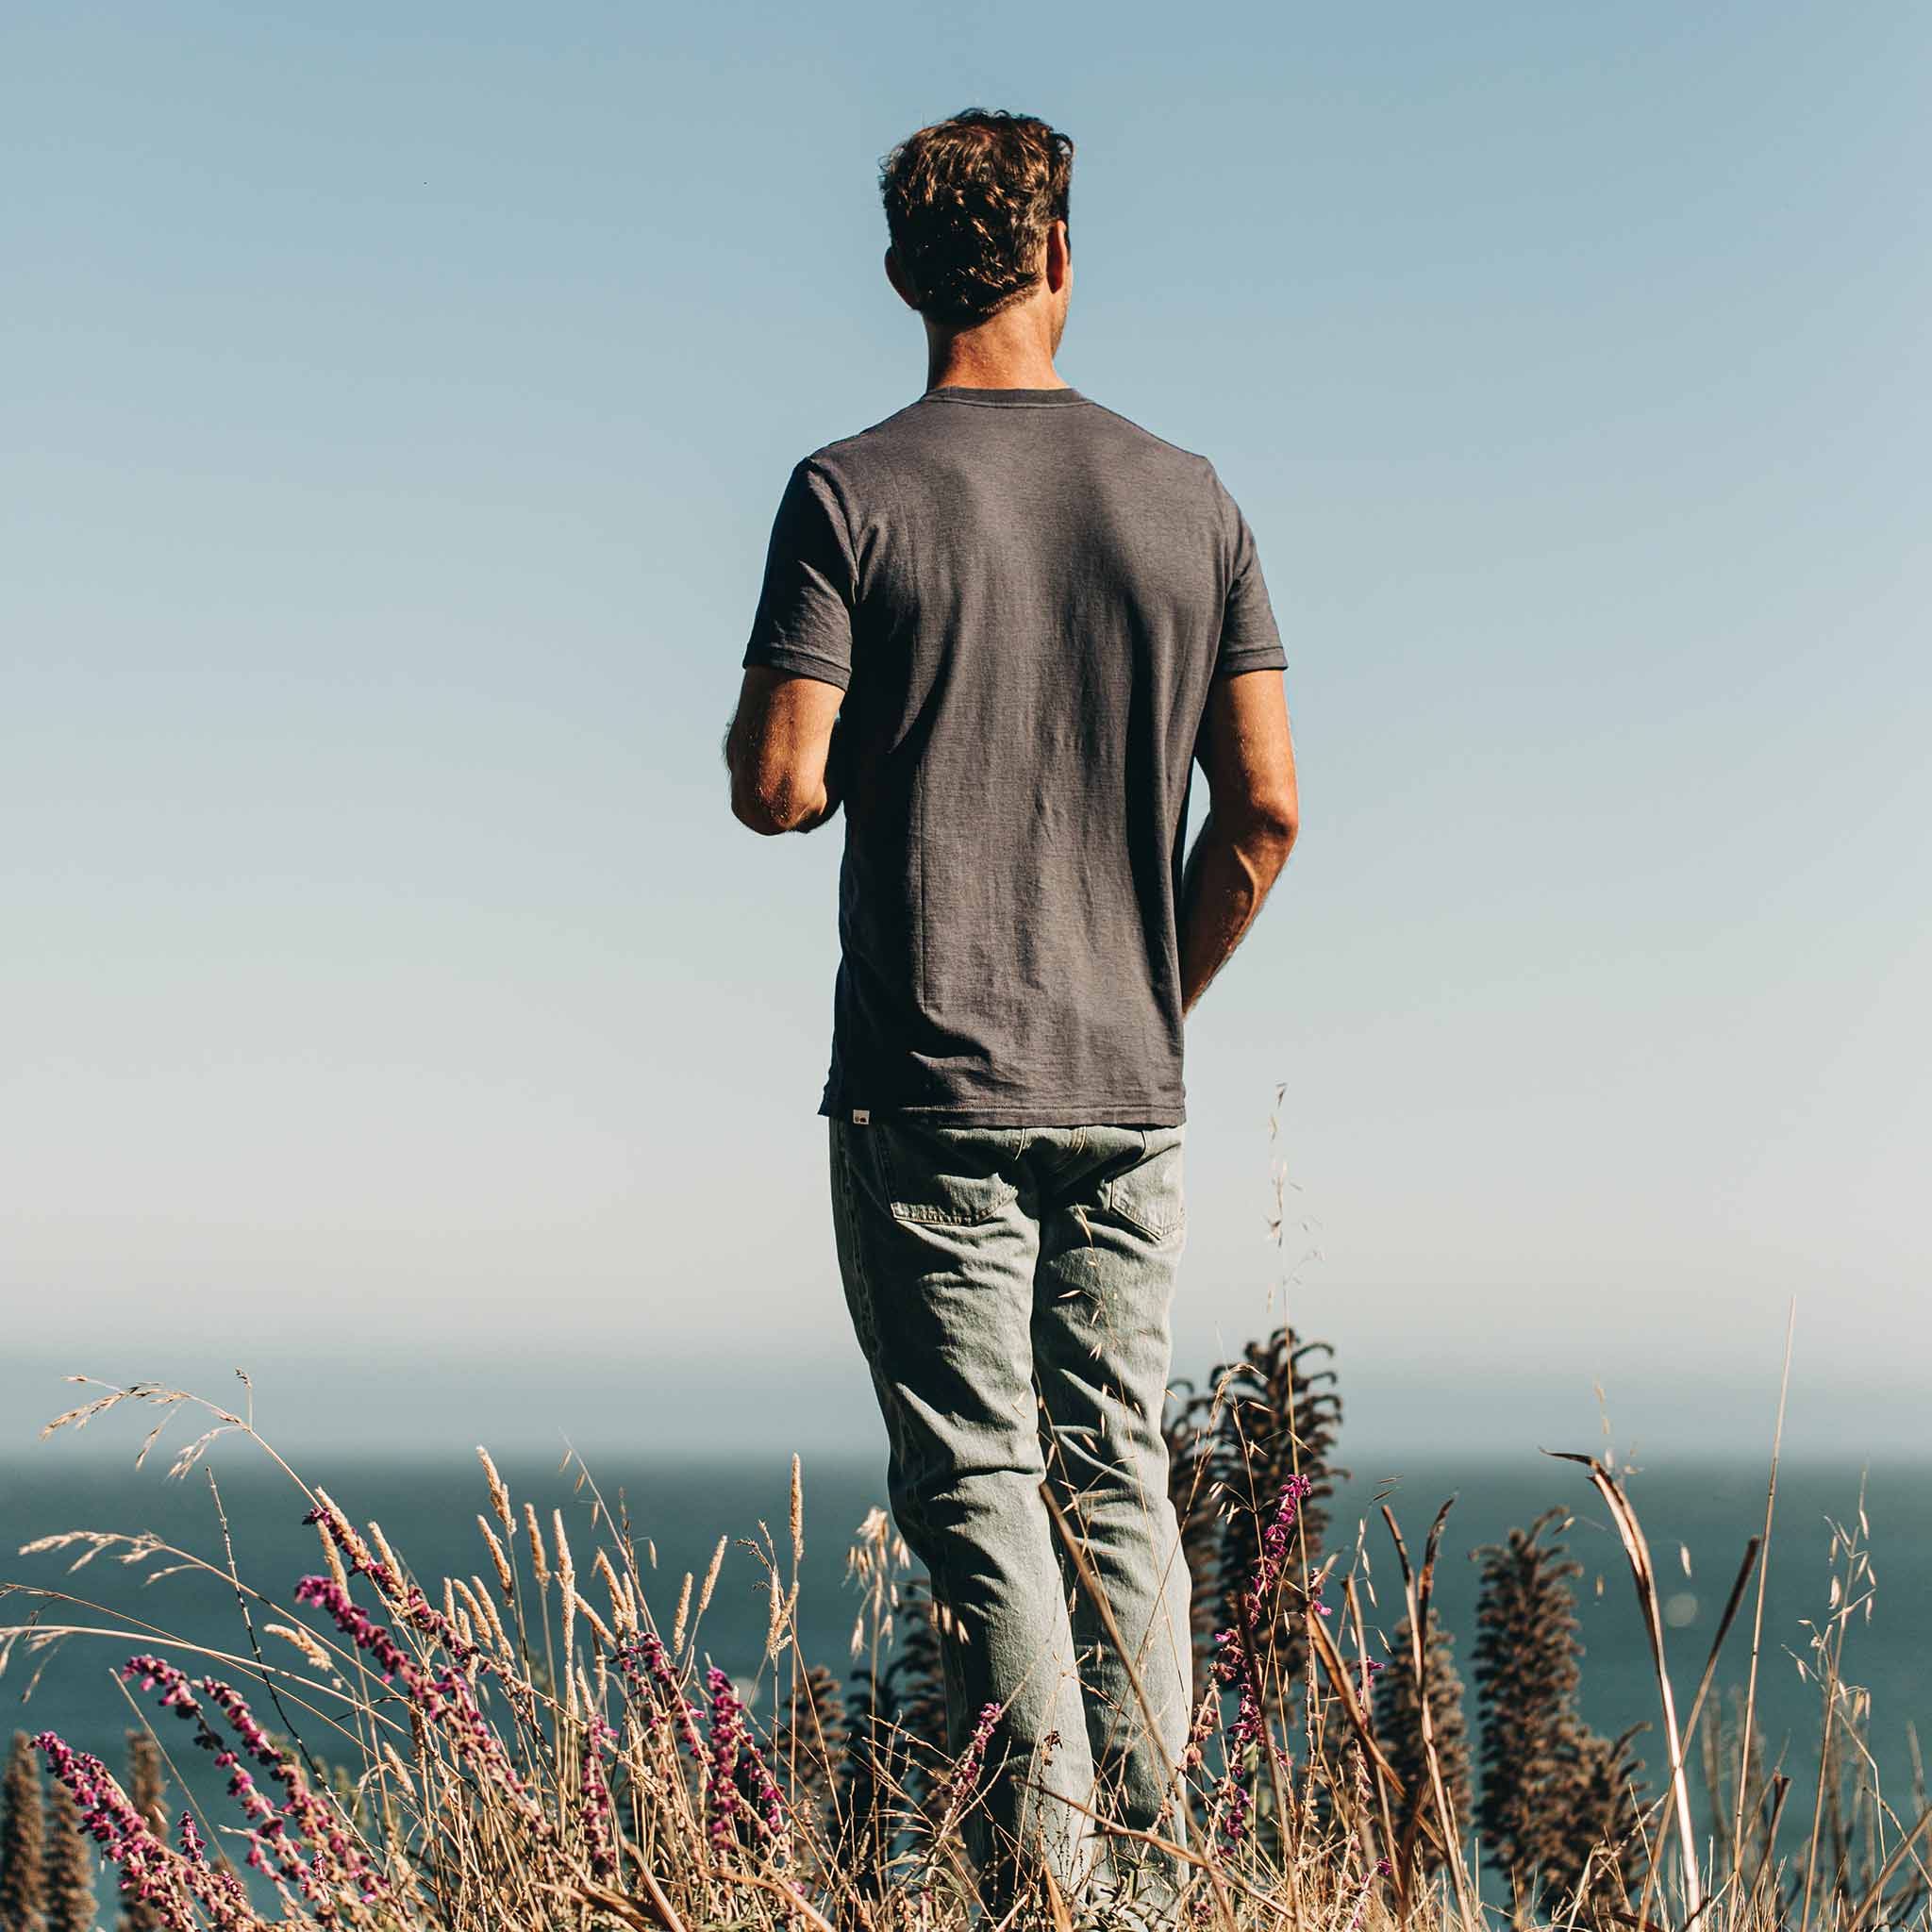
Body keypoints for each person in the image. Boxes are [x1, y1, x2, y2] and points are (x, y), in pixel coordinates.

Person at [724, 108, 1298, 1921]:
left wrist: (836, 762)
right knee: (1118, 1473)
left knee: (979, 1491)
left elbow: (773, 781)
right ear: (1060, 259)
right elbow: (1267, 814)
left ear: (907, 276)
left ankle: (1046, 1900)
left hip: (931, 1079)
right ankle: (1151, 1886)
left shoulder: (849, 493)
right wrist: (1154, 990)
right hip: (1131, 1084)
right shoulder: (1192, 498)